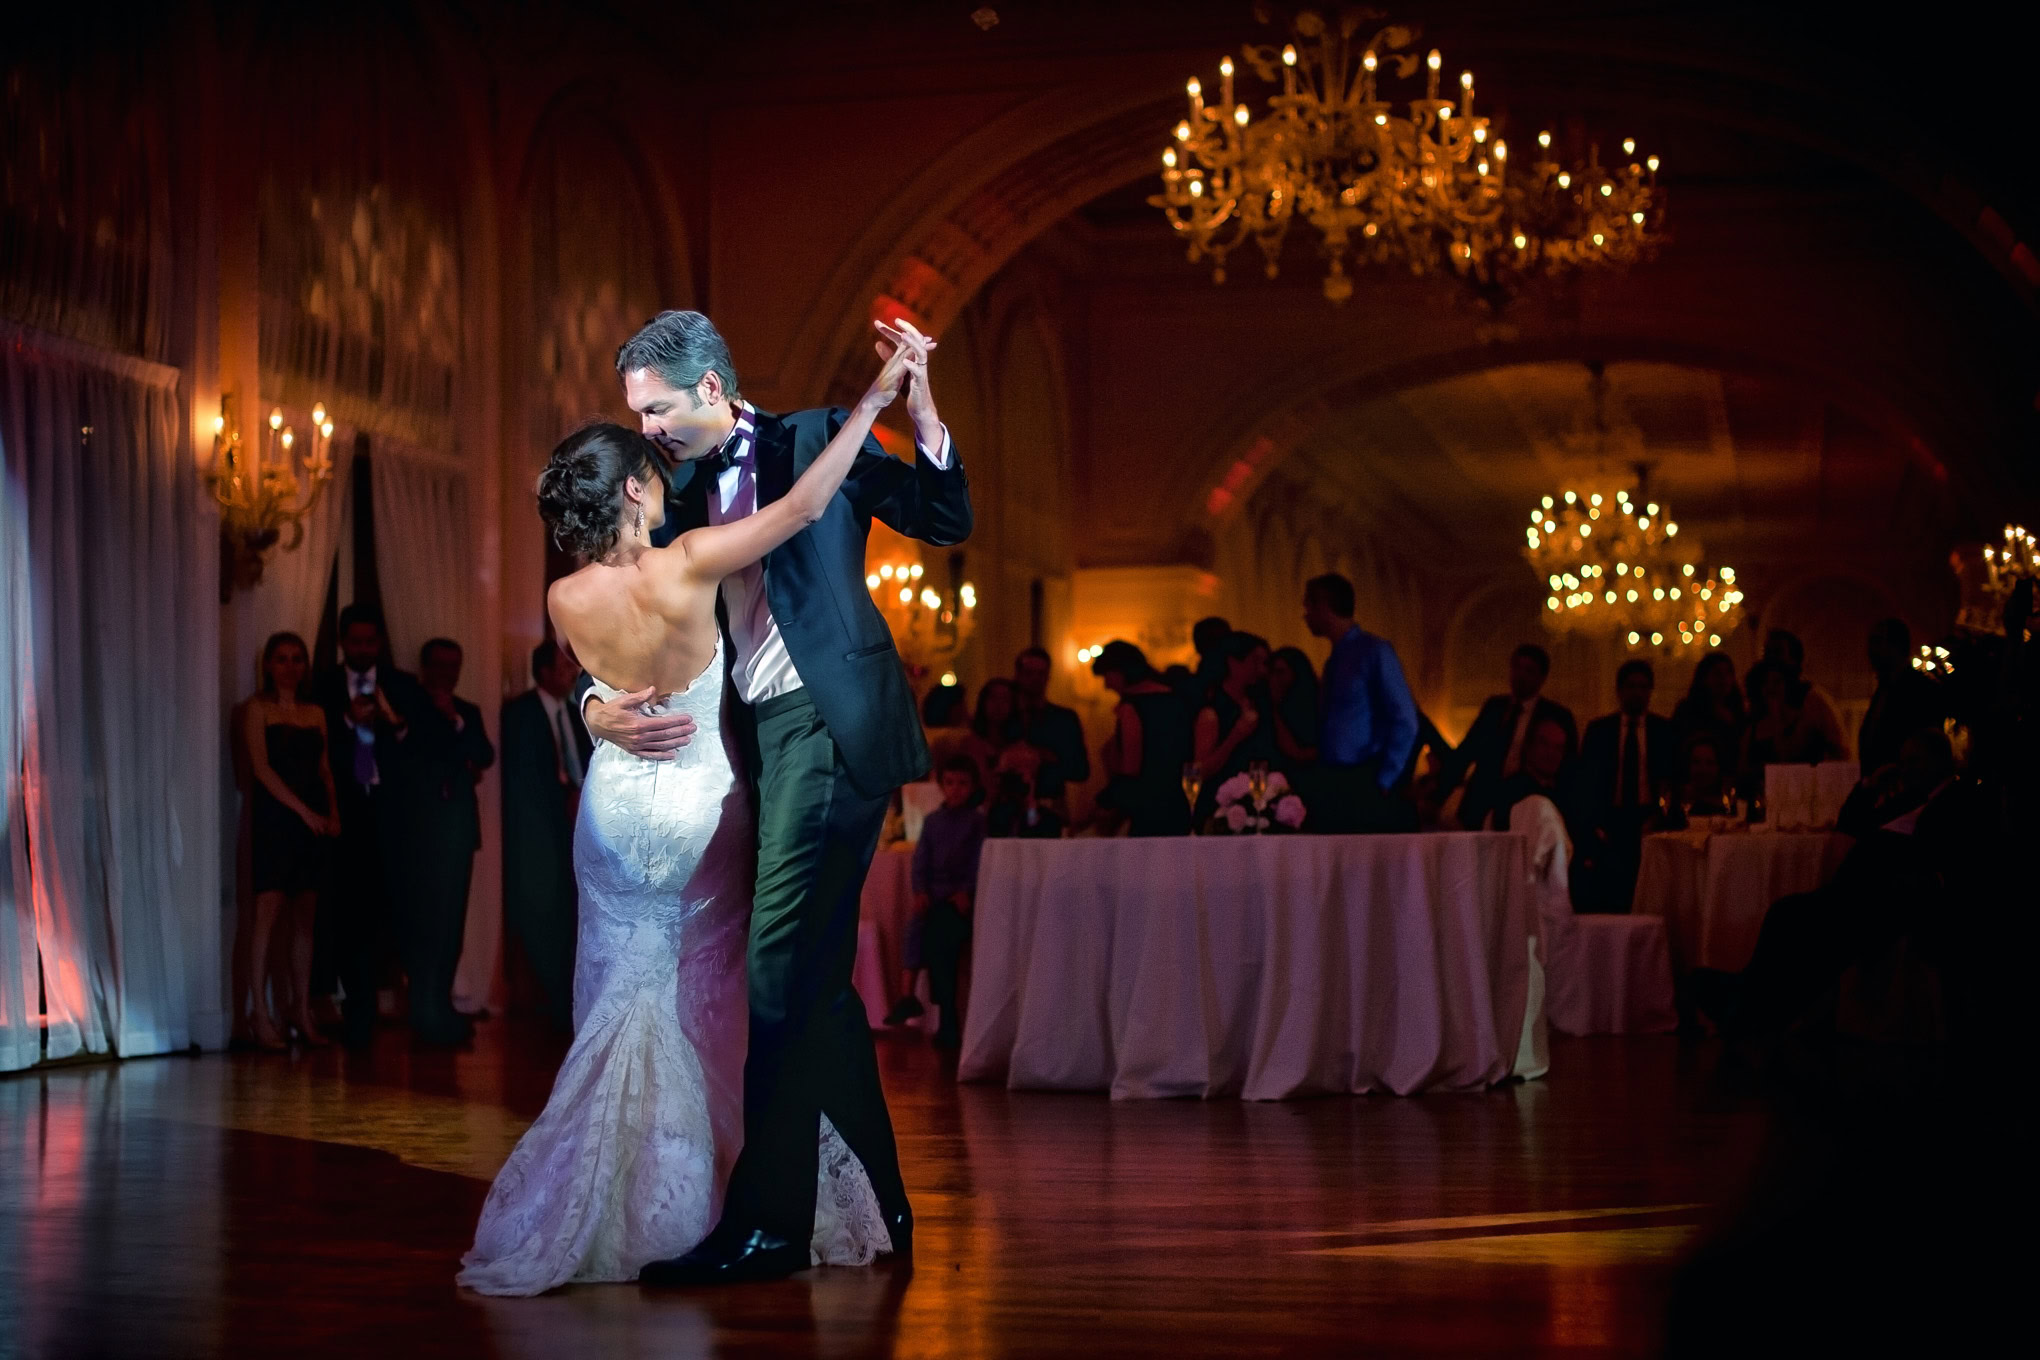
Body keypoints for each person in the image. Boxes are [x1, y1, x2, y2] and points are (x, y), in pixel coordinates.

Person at [461, 323, 932, 1296]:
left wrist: (597, 710)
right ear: (636, 492)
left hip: (612, 812)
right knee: (735, 990)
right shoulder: (688, 559)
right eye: (643, 446)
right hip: (700, 798)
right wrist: (876, 401)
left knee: (629, 991)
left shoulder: (562, 596)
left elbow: (591, 679)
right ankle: (721, 1199)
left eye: (654, 414)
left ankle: (613, 1191)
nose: (657, 448)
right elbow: (804, 505)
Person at [311, 604, 425, 1049]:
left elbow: (420, 749)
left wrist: (394, 723)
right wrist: (346, 721)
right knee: (347, 915)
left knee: (393, 911)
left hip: (391, 816)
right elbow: (312, 748)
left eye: (369, 642)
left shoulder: (402, 685)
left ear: (379, 642)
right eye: (355, 642)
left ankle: (400, 1002)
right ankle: (356, 1012)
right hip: (345, 814)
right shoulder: (322, 686)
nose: (362, 649)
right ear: (343, 642)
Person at [241, 632, 341, 1049]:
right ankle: (260, 1015)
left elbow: (324, 769)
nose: (290, 666)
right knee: (266, 916)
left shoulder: (315, 712)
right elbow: (261, 769)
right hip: (277, 819)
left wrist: (332, 812)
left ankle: (300, 1009)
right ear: (268, 664)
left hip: (313, 822)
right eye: (281, 658)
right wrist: (303, 812)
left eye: (297, 658)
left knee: (305, 919)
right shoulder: (257, 709)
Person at [400, 638, 495, 1047]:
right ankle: (423, 1008)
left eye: (454, 666)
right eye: (439, 665)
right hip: (421, 832)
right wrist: (457, 751)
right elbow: (417, 755)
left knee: (452, 921)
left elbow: (483, 754)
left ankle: (441, 1004)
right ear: (425, 668)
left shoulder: (466, 712)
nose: (447, 674)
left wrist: (454, 721)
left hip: (457, 829)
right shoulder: (410, 706)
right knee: (426, 921)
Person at [500, 639, 592, 1035]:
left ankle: (568, 999)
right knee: (542, 908)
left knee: (569, 908)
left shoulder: (576, 713)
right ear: (543, 672)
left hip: (576, 823)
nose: (573, 673)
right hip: (539, 827)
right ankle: (551, 1000)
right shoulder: (519, 713)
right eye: (565, 666)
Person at [1303, 573, 1419, 832]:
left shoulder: (1374, 651)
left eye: (1308, 606)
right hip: (1336, 780)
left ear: (1324, 606)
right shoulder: (1336, 659)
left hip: (1363, 778)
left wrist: (1385, 778)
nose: (1305, 616)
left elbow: (1405, 719)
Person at [1569, 659, 1677, 913]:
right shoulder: (1599, 730)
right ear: (1619, 690)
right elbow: (1586, 781)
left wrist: (1660, 817)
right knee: (1609, 893)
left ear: (1650, 691)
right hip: (1610, 819)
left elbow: (1672, 779)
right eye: (1631, 686)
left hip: (1649, 818)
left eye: (1643, 686)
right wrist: (1595, 822)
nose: (1637, 692)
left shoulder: (1664, 730)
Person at [1440, 643, 1578, 831]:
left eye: (1529, 671)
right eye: (1516, 668)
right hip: (1483, 800)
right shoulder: (1495, 708)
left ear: (1542, 677)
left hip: (1526, 801)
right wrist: (1440, 792)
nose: (1520, 676)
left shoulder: (1556, 715)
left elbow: (1568, 767)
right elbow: (1467, 751)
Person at [909, 755, 986, 1050]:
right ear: (941, 786)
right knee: (928, 933)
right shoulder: (932, 822)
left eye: (963, 783)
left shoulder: (977, 821)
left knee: (943, 937)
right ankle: (939, 1009)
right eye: (950, 783)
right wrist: (920, 890)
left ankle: (947, 1016)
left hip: (961, 901)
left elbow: (979, 861)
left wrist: (967, 890)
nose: (956, 789)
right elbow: (920, 861)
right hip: (936, 898)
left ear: (973, 786)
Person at [1091, 640, 1194, 836]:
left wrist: (1105, 802)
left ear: (1120, 672)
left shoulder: (1133, 706)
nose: (1106, 684)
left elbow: (1131, 767)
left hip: (1149, 809)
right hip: (1179, 801)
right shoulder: (1175, 699)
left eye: (1107, 675)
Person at [1190, 630, 1276, 825]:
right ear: (1233, 662)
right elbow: (1200, 771)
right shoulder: (1213, 711)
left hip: (1259, 807)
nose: (1262, 670)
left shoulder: (1260, 703)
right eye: (1255, 661)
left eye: (1264, 663)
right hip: (1222, 812)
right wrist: (1235, 735)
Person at [1859, 618, 1944, 776]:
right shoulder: (1884, 690)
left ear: (1896, 646)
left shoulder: (1920, 690)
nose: (1870, 650)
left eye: (1877, 641)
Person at [1011, 646, 1088, 814]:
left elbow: (1081, 770)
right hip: (1010, 806)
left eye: (1041, 674)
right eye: (1029, 673)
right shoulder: (1006, 718)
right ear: (1018, 675)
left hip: (1050, 805)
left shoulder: (1064, 719)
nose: (1035, 679)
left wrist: (1048, 758)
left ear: (1048, 677)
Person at [1759, 629, 1850, 759]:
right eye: (1767, 652)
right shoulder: (1759, 701)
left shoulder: (1816, 702)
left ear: (1794, 659)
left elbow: (1841, 751)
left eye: (1778, 652)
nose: (1771, 659)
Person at [1670, 652, 1746, 786]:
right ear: (1704, 678)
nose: (1724, 679)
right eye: (1717, 674)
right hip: (1693, 783)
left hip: (1729, 782)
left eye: (1728, 673)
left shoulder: (1738, 712)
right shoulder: (1688, 710)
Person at [1488, 716, 1571, 832]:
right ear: (1528, 746)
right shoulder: (1510, 791)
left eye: (1558, 748)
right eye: (1544, 744)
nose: (1551, 753)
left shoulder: (1567, 796)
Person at [1266, 645, 1321, 768]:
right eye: (1271, 672)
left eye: (1280, 672)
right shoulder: (1273, 704)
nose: (1273, 678)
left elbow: (1297, 753)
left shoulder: (1316, 704)